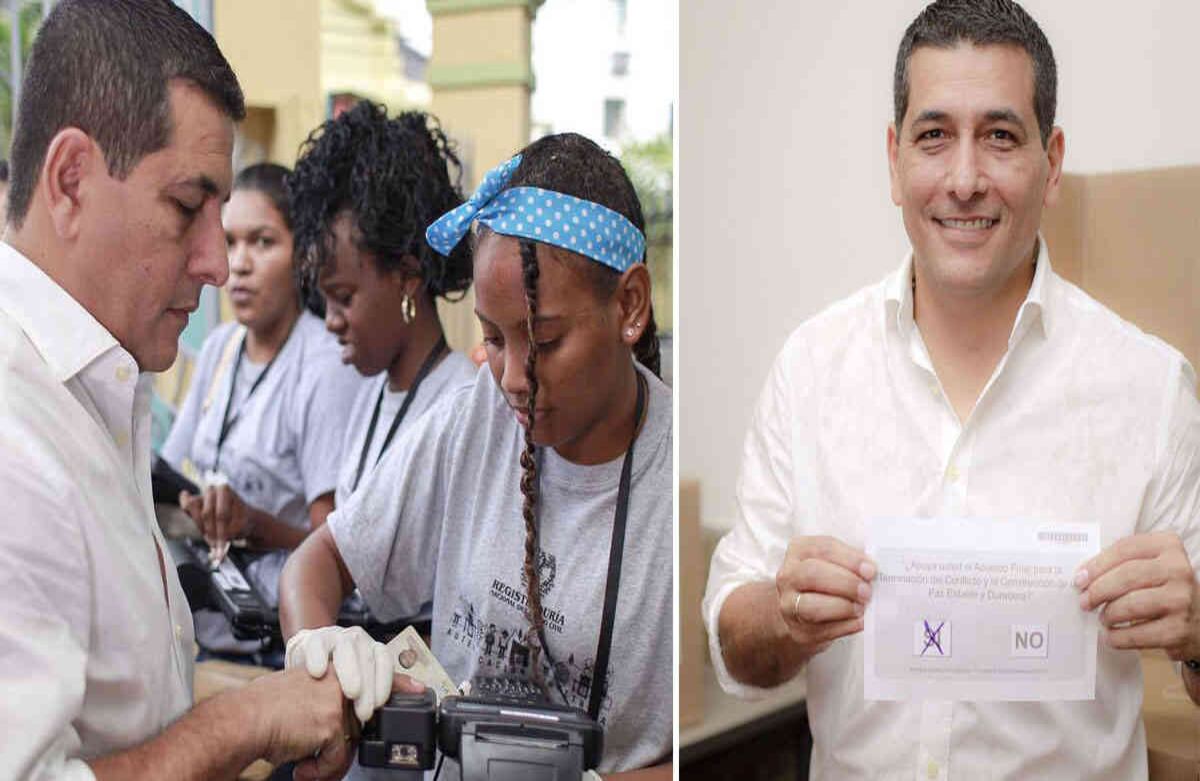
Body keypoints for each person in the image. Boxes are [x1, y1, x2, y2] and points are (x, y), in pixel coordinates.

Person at [703, 1, 1200, 779]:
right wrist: (783, 614)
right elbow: (735, 640)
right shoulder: (809, 370)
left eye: (1000, 136)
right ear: (895, 159)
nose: (964, 179)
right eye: (935, 136)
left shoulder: (1153, 388)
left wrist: (1197, 626)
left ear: (1053, 160)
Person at [0, 2, 363, 778]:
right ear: (70, 180)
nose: (211, 262)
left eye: (231, 224)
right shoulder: (13, 434)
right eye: (186, 207)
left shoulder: (97, 386)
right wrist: (248, 718)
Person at [278, 133, 674, 779]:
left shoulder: (667, 483)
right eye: (492, 337)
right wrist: (317, 648)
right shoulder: (477, 416)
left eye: (542, 337)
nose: (514, 376)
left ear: (628, 304)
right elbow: (313, 565)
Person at [161, 161, 364, 663]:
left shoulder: (323, 364)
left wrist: (252, 522)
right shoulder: (220, 347)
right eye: (230, 243)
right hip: (204, 622)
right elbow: (172, 466)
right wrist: (195, 506)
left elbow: (336, 545)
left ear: (303, 255)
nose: (241, 264)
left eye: (263, 242)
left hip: (273, 642)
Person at [285, 101, 477, 515]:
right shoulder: (372, 392)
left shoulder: (462, 411)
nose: (331, 321)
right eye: (325, 300)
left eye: (344, 297)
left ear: (408, 277)